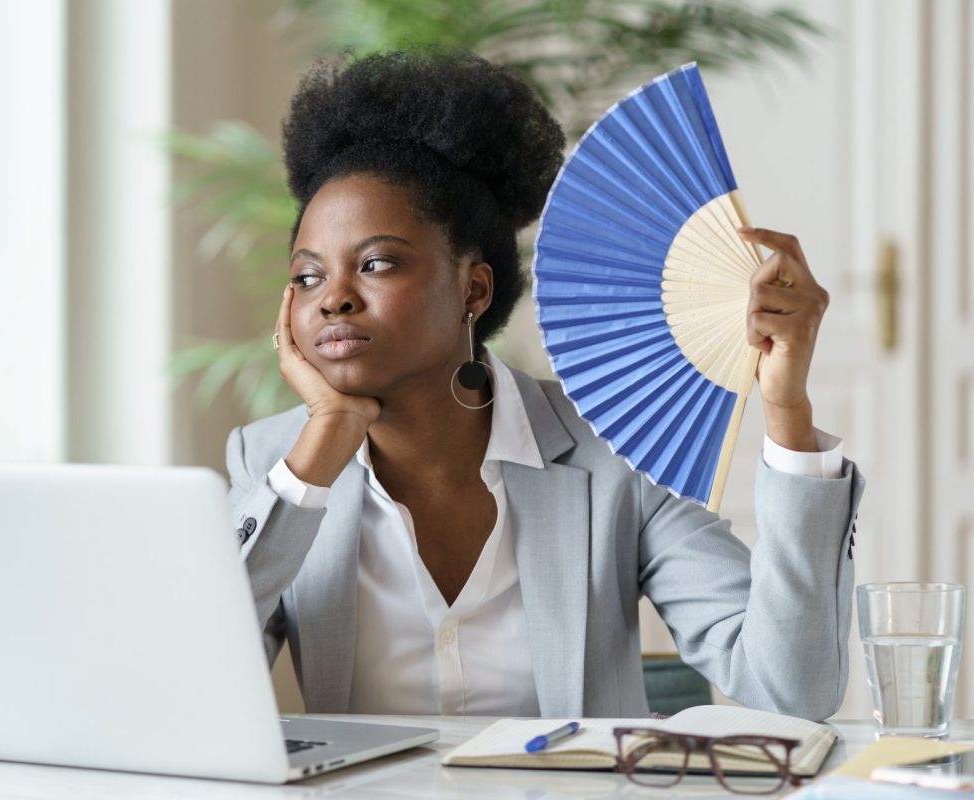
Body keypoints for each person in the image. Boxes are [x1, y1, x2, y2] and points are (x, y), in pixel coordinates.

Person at [225, 50, 864, 721]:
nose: (332, 299)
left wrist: (787, 412)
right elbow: (179, 683)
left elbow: (793, 690)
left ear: (474, 288)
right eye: (307, 277)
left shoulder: (615, 450)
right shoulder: (274, 469)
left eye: (376, 263)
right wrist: (320, 446)